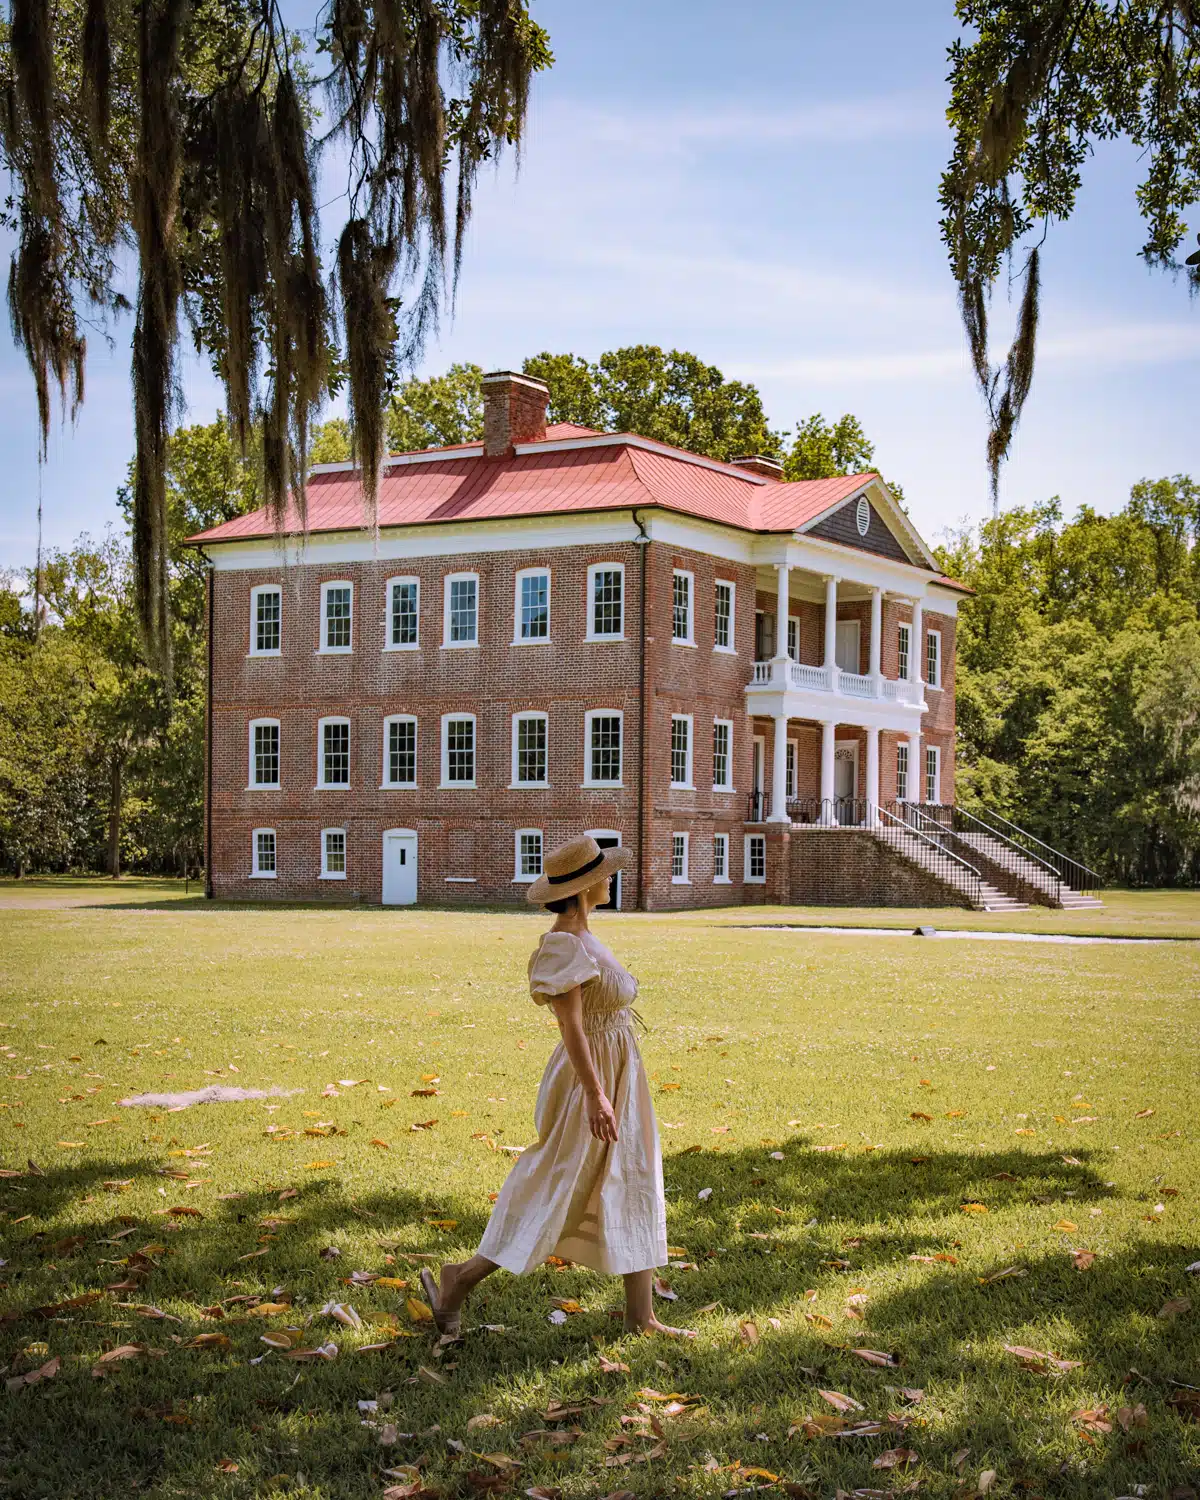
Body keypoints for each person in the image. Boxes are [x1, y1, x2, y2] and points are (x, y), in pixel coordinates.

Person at [420, 833, 696, 1340]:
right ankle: (460, 1278)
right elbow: (570, 1026)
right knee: (557, 1181)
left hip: (621, 1070)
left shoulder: (588, 937)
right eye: (602, 875)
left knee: (634, 1174)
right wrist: (595, 1094)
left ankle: (642, 1317)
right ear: (585, 888)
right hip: (588, 1077)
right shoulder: (562, 945)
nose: (610, 879)